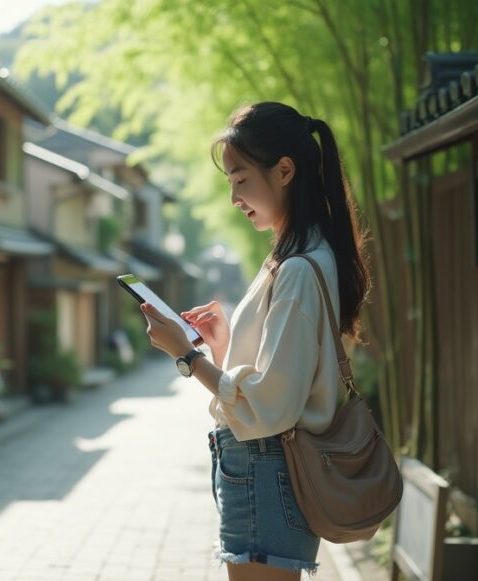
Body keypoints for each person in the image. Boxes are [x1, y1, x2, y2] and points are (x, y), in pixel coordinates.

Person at [139, 101, 370, 580]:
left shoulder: (299, 269)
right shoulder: (299, 257)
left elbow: (270, 406)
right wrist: (223, 347)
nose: (233, 196)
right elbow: (277, 380)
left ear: (284, 171)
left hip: (267, 473)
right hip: (265, 471)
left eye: (241, 178)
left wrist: (186, 356)